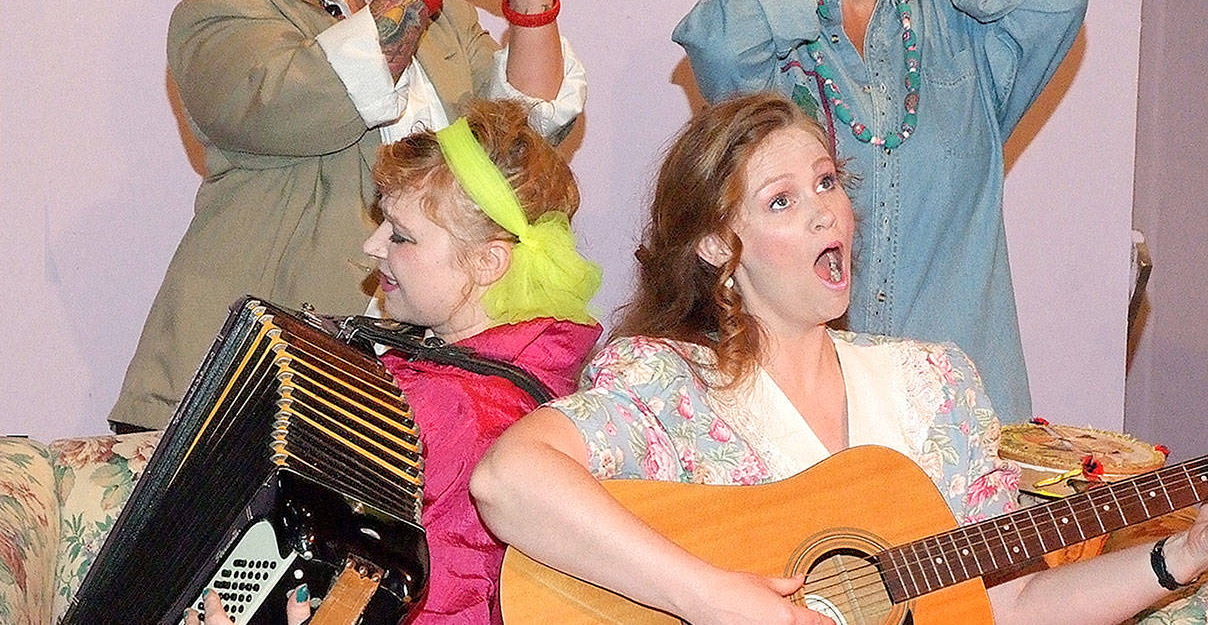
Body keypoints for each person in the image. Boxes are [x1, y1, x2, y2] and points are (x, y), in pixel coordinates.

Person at [470, 93, 1207, 625]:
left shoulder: (936, 384)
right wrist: (710, 596)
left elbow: (1007, 605)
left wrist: (1175, 555)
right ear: (719, 245)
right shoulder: (663, 383)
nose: (826, 209)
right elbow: (508, 479)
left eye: (826, 182)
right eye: (782, 200)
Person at [111, 0, 587, 431]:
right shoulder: (219, 19)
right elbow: (318, 97)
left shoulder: (436, 15)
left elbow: (522, 139)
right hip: (238, 390)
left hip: (399, 386)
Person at [671, 0, 1088, 422]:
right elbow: (714, 46)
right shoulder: (771, 50)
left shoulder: (960, 31)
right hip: (824, 414)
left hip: (965, 410)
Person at [187, 98, 602, 624]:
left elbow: (444, 604)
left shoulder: (452, 410)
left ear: (488, 261)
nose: (372, 245)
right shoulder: (541, 374)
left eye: (400, 236)